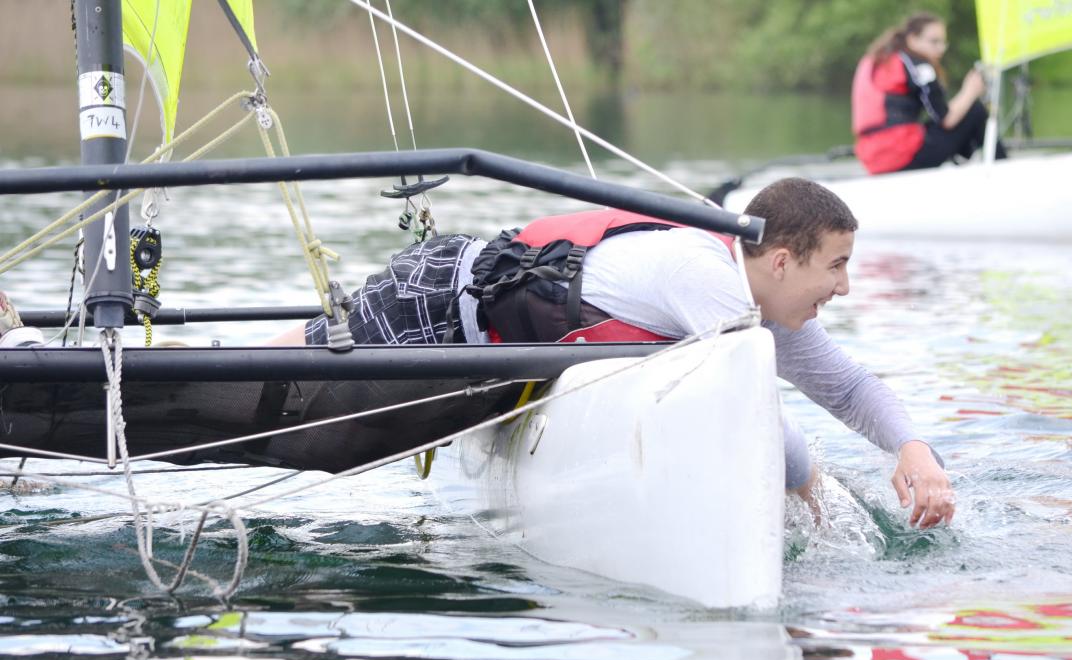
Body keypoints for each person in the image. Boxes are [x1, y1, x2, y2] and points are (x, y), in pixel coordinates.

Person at [274, 178, 956, 528]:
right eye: (836, 266)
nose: (845, 286)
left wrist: (913, 450)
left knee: (286, 378)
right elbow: (760, 418)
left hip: (478, 350)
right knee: (274, 384)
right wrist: (818, 507)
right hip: (432, 303)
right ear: (781, 261)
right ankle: (204, 370)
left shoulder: (769, 305)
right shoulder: (705, 278)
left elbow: (849, 388)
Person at [852, 11, 1006, 175]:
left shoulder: (881, 60)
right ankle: (1004, 169)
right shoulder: (920, 66)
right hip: (900, 156)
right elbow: (946, 119)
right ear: (912, 39)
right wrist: (970, 91)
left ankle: (967, 161)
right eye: (934, 42)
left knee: (941, 124)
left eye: (943, 42)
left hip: (872, 159)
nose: (941, 48)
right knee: (975, 110)